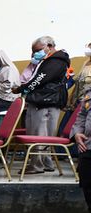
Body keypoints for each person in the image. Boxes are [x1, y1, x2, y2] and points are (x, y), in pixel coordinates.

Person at [16, 35, 70, 173]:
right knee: (44, 135)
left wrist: (22, 88)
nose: (35, 54)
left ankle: (36, 165)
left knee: (38, 135)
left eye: (38, 50)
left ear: (50, 46)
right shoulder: (52, 60)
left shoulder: (56, 61)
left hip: (45, 101)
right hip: (46, 100)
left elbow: (39, 80)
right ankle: (46, 163)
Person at [69, 85, 91, 213]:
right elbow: (81, 116)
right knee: (88, 186)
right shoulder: (89, 92)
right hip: (88, 146)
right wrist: (76, 133)